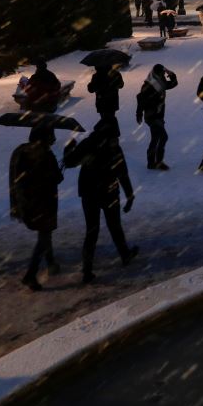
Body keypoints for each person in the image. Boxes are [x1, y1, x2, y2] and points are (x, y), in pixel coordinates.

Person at [63, 118, 138, 284]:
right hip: (109, 192)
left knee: (92, 231)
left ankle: (87, 269)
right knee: (114, 226)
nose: (117, 139)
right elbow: (122, 172)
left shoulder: (88, 144)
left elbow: (69, 162)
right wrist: (129, 195)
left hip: (89, 194)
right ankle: (125, 255)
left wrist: (69, 148)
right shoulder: (113, 148)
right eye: (115, 135)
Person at [9, 124, 63, 291]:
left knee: (44, 232)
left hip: (28, 202)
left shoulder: (20, 152)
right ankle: (30, 275)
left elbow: (16, 179)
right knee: (44, 235)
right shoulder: (44, 154)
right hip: (43, 201)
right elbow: (56, 177)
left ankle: (51, 261)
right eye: (51, 136)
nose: (53, 140)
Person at [136, 64, 178, 170]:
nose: (164, 75)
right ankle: (158, 162)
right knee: (163, 137)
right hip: (152, 116)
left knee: (155, 138)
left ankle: (152, 163)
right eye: (162, 73)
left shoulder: (160, 82)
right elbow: (140, 99)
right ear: (156, 73)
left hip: (158, 115)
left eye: (164, 73)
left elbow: (173, 84)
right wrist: (139, 113)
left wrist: (172, 74)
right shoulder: (148, 85)